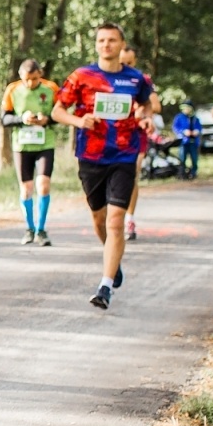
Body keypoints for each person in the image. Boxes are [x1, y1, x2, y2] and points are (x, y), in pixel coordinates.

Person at [51, 23, 156, 310]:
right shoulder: (82, 76)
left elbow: (146, 105)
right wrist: (78, 121)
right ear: (96, 44)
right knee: (99, 220)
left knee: (115, 221)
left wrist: (144, 117)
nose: (106, 45)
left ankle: (105, 285)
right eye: (101, 40)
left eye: (112, 40)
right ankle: (114, 259)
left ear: (122, 44)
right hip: (91, 156)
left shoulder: (136, 79)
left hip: (124, 155)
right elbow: (57, 110)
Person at [0, 59, 60, 245]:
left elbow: (59, 114)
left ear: (40, 75)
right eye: (27, 79)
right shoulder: (12, 89)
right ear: (21, 76)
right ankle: (29, 228)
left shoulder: (51, 89)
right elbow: (4, 119)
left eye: (34, 79)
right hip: (22, 145)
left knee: (43, 184)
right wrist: (22, 119)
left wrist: (46, 119)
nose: (30, 83)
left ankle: (41, 230)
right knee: (26, 188)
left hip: (45, 144)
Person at [119, 45, 161, 240]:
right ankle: (115, 214)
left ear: (134, 62)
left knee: (131, 175)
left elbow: (155, 105)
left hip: (136, 135)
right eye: (122, 62)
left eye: (129, 62)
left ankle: (129, 218)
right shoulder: (105, 79)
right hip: (112, 135)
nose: (125, 66)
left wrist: (142, 111)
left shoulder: (141, 80)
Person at [172, 101, 203, 179]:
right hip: (184, 141)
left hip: (194, 142)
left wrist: (197, 131)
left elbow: (199, 127)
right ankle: (182, 174)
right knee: (182, 159)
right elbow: (175, 128)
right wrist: (183, 132)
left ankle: (193, 173)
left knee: (194, 159)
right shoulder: (179, 117)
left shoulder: (195, 118)